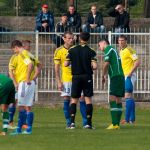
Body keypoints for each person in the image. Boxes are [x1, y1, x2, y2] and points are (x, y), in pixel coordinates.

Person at [54, 31, 87, 128]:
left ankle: (85, 122)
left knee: (82, 99)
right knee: (67, 100)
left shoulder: (77, 49)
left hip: (78, 78)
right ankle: (69, 122)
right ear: (64, 39)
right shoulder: (59, 51)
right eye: (69, 38)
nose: (71, 40)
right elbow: (56, 68)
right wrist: (59, 81)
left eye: (72, 38)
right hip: (66, 80)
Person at [64, 32, 97, 129]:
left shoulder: (72, 50)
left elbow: (65, 64)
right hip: (87, 77)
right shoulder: (91, 51)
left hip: (76, 77)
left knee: (74, 99)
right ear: (88, 39)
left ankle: (72, 123)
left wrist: (74, 63)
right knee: (88, 99)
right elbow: (94, 66)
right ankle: (88, 124)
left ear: (79, 39)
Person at [9, 40, 42, 135]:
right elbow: (39, 65)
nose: (14, 52)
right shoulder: (29, 54)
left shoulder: (22, 54)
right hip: (30, 83)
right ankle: (28, 129)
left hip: (24, 82)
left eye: (13, 50)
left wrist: (27, 78)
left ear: (16, 47)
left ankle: (19, 129)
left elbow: (30, 65)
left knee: (21, 106)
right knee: (27, 106)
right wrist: (34, 78)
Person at [98, 38, 125, 129]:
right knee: (118, 99)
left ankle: (114, 124)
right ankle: (117, 124)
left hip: (116, 77)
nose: (99, 47)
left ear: (104, 43)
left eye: (99, 45)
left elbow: (106, 63)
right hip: (120, 76)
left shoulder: (108, 48)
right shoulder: (113, 49)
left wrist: (103, 75)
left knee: (112, 98)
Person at [118, 35, 140, 124]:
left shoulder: (130, 50)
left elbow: (137, 62)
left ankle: (127, 119)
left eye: (122, 40)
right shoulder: (121, 50)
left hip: (129, 75)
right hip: (125, 75)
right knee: (129, 96)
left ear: (126, 41)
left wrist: (130, 73)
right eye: (119, 41)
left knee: (127, 96)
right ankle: (132, 119)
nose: (120, 42)